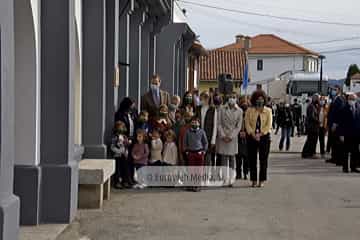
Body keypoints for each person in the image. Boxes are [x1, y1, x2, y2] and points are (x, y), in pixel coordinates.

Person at [245, 90, 272, 188]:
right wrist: (252, 134)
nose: (259, 101)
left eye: (261, 99)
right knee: (252, 160)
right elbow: (247, 123)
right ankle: (253, 180)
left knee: (263, 160)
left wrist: (260, 134)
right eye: (258, 99)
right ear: (254, 100)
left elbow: (269, 125)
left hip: (264, 138)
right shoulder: (249, 110)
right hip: (251, 137)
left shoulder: (268, 111)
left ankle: (262, 180)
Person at [217, 93, 243, 186]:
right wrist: (223, 135)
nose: (232, 99)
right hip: (223, 135)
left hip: (233, 136)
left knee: (232, 159)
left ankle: (231, 179)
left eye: (233, 97)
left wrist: (231, 136)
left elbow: (238, 126)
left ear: (236, 99)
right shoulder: (222, 109)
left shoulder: (240, 111)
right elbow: (218, 123)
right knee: (224, 159)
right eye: (230, 97)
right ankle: (224, 178)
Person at [184, 117, 209, 191]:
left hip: (199, 152)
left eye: (196, 122)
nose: (194, 124)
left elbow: (205, 142)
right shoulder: (187, 132)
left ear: (199, 123)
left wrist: (204, 151)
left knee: (199, 169)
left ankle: (197, 185)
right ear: (190, 123)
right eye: (193, 122)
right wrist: (186, 151)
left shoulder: (202, 131)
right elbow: (185, 142)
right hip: (191, 152)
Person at [337, 94, 360, 173]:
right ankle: (345, 167)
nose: (352, 101)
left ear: (356, 100)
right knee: (345, 152)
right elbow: (341, 123)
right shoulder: (343, 109)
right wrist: (341, 134)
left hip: (356, 134)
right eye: (350, 99)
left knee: (355, 151)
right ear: (348, 100)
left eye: (353, 99)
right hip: (346, 134)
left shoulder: (358, 108)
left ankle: (353, 167)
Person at [195, 91, 217, 166]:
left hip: (208, 136)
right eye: (202, 98)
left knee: (208, 157)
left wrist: (213, 140)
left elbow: (215, 126)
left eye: (206, 98)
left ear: (209, 99)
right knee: (200, 156)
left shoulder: (213, 109)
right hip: (199, 136)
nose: (204, 100)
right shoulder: (198, 108)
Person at [326, 86, 346, 165]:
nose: (333, 91)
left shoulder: (340, 99)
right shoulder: (334, 99)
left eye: (335, 90)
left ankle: (337, 158)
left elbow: (339, 113)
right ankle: (334, 157)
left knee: (336, 143)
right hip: (332, 123)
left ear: (339, 91)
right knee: (333, 142)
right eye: (333, 90)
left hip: (336, 125)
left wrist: (335, 123)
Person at [111, 121, 133, 189]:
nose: (121, 128)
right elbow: (112, 147)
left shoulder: (124, 136)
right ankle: (117, 182)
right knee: (118, 170)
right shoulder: (115, 137)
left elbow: (126, 145)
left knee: (125, 168)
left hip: (124, 155)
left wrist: (128, 143)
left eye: (122, 127)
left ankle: (125, 181)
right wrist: (119, 151)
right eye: (119, 127)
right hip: (118, 156)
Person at [302, 94, 320, 159]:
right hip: (312, 126)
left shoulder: (314, 106)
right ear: (314, 99)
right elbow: (311, 117)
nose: (319, 100)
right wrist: (318, 121)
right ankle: (309, 154)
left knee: (311, 140)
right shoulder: (311, 106)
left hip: (313, 126)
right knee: (311, 140)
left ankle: (307, 153)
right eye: (318, 98)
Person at [237, 97, 249, 180]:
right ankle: (238, 173)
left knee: (246, 158)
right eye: (243, 102)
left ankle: (245, 173)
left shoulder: (249, 113)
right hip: (238, 138)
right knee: (238, 157)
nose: (244, 104)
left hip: (248, 138)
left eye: (246, 103)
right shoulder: (238, 113)